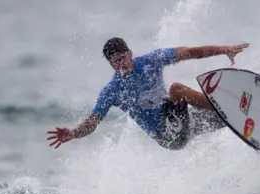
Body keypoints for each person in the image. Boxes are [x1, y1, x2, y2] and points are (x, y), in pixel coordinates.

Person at [46, 37, 249, 150]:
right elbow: (92, 122)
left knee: (218, 119)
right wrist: (72, 133)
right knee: (177, 90)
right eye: (114, 61)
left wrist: (224, 49)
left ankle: (238, 119)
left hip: (179, 122)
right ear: (110, 63)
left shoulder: (152, 61)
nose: (120, 64)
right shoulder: (112, 90)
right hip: (165, 135)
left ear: (130, 53)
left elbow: (189, 52)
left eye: (122, 57)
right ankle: (225, 107)